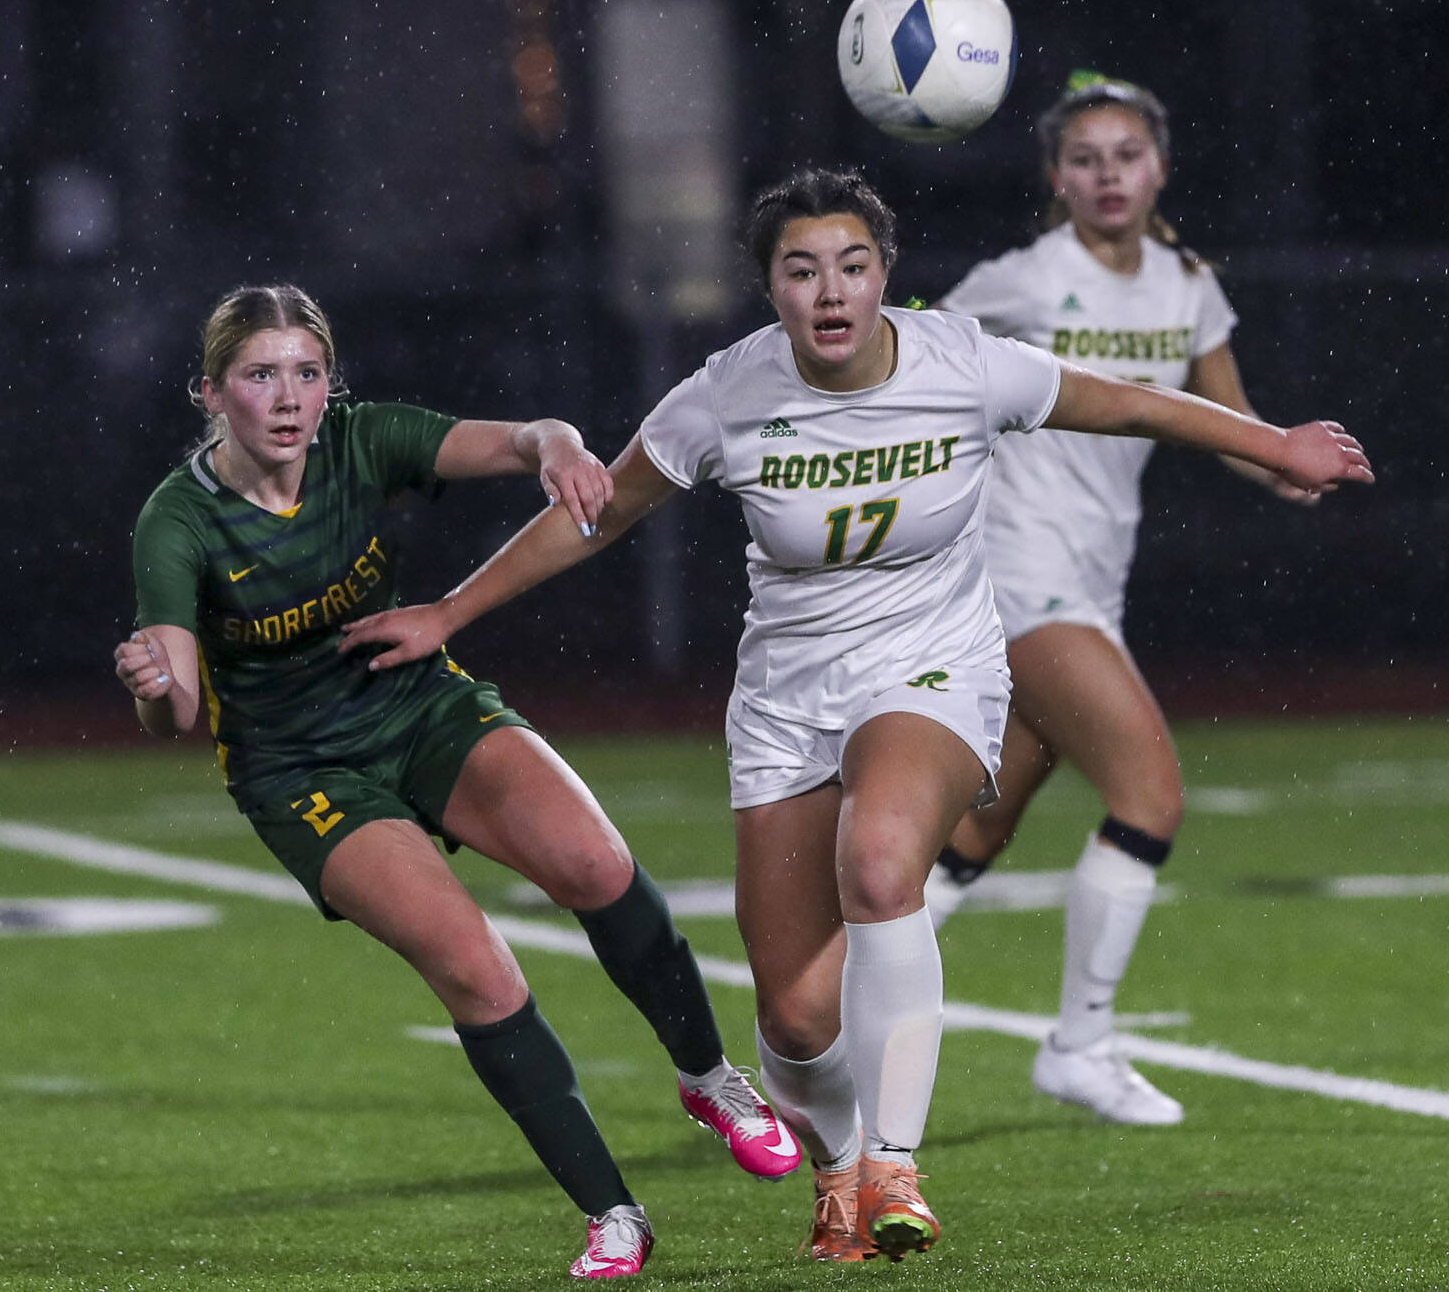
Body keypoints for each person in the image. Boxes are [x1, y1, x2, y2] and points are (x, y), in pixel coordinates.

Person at [337, 169, 1371, 1264]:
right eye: (800, 270)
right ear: (769, 289)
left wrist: (1275, 444)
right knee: (789, 1022)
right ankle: (835, 1167)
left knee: (879, 864)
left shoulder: (962, 362)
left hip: (932, 669)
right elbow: (594, 519)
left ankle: (892, 1163)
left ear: (885, 275)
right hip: (786, 700)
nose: (829, 292)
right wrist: (450, 610)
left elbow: (1126, 401)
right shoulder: (722, 395)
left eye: (851, 265)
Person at [110, 284, 802, 1282]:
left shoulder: (360, 439)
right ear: (212, 394)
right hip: (298, 769)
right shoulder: (176, 522)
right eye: (260, 375)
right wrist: (149, 685)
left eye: (306, 371)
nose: (289, 396)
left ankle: (710, 1080)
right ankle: (614, 1214)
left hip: (412, 699)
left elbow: (531, 436)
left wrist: (560, 449)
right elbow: (173, 709)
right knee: (477, 967)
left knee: (595, 862)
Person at [926, 71, 1322, 1127]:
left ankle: (812, 1018)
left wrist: (1276, 466)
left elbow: (1224, 419)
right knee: (1148, 796)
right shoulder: (1014, 280)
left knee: (972, 829)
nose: (1108, 175)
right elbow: (907, 366)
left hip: (1091, 577)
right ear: (1055, 177)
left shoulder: (1186, 284)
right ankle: (1080, 1044)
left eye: (1127, 156)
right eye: (1086, 158)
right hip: (1012, 572)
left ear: (1159, 168)